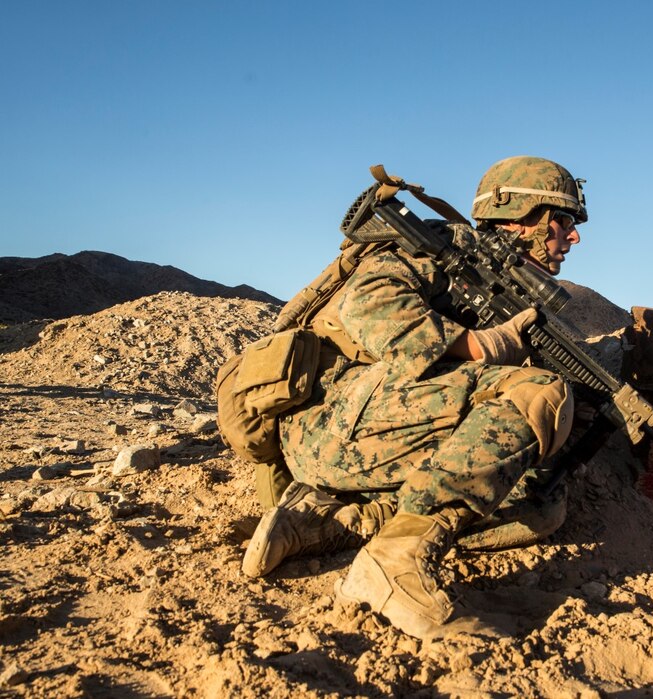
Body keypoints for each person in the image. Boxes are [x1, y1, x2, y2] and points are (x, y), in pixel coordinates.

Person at [241, 156, 587, 638]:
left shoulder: (503, 280)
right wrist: (480, 346)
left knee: (538, 504)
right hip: (335, 423)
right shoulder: (447, 249)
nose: (572, 237)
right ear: (522, 216)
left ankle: (334, 521)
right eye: (563, 221)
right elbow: (373, 304)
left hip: (371, 434)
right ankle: (393, 566)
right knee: (540, 396)